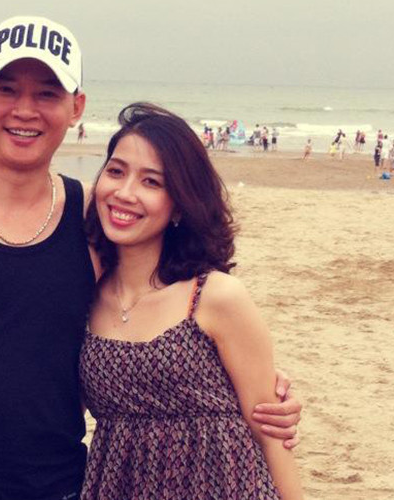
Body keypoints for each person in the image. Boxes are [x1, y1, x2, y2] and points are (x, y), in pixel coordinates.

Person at [0, 16, 302, 500]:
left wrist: (257, 385)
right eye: (6, 89)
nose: (24, 110)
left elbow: (159, 300)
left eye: (47, 94)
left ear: (76, 107)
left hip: (59, 486)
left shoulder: (94, 218)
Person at [78, 103, 303, 499]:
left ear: (180, 204)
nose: (125, 193)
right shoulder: (82, 297)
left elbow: (270, 432)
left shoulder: (215, 296)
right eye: (115, 171)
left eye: (151, 182)